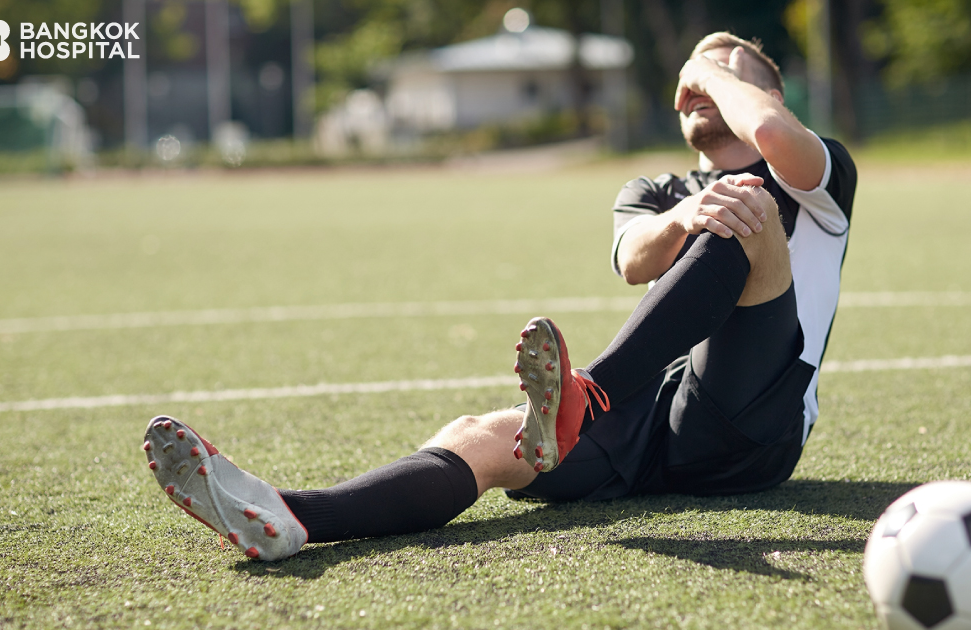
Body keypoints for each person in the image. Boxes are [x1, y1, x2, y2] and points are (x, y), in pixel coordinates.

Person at [141, 32, 857, 561]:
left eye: (723, 74)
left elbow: (764, 129)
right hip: (652, 421)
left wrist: (708, 66)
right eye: (691, 80)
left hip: (755, 426)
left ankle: (587, 395)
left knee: (746, 206)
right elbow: (636, 262)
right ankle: (289, 516)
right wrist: (683, 214)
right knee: (481, 435)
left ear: (770, 93)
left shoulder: (816, 174)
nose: (699, 85)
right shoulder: (651, 192)